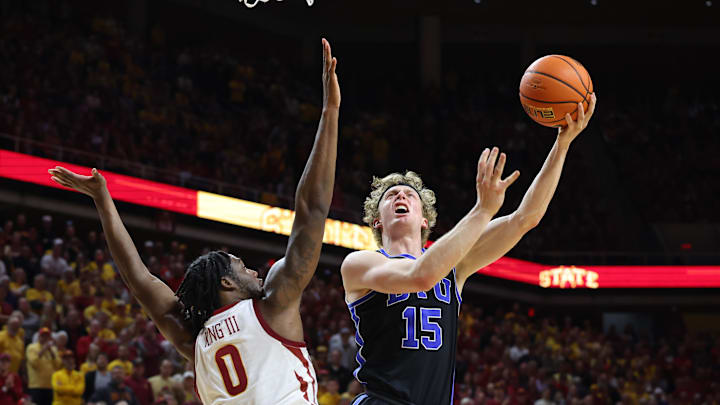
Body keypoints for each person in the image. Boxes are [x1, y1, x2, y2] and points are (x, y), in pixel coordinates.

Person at [49, 37, 341, 405]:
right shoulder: (272, 304)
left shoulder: (194, 337)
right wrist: (330, 111)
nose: (254, 271)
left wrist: (102, 200)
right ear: (226, 282)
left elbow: (139, 280)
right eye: (242, 266)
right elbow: (312, 210)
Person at [340, 96, 596, 404]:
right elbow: (420, 276)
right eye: (390, 195)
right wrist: (482, 210)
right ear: (377, 221)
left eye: (409, 194)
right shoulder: (361, 263)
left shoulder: (453, 264)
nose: (400, 196)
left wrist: (563, 143)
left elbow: (526, 218)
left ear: (424, 219)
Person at [27, 327, 62, 405]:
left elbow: (58, 366)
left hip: (50, 385)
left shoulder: (53, 349)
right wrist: (43, 350)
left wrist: (51, 352)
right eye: (43, 336)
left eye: (47, 336)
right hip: (36, 385)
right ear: (39, 337)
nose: (45, 338)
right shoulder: (32, 347)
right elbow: (34, 363)